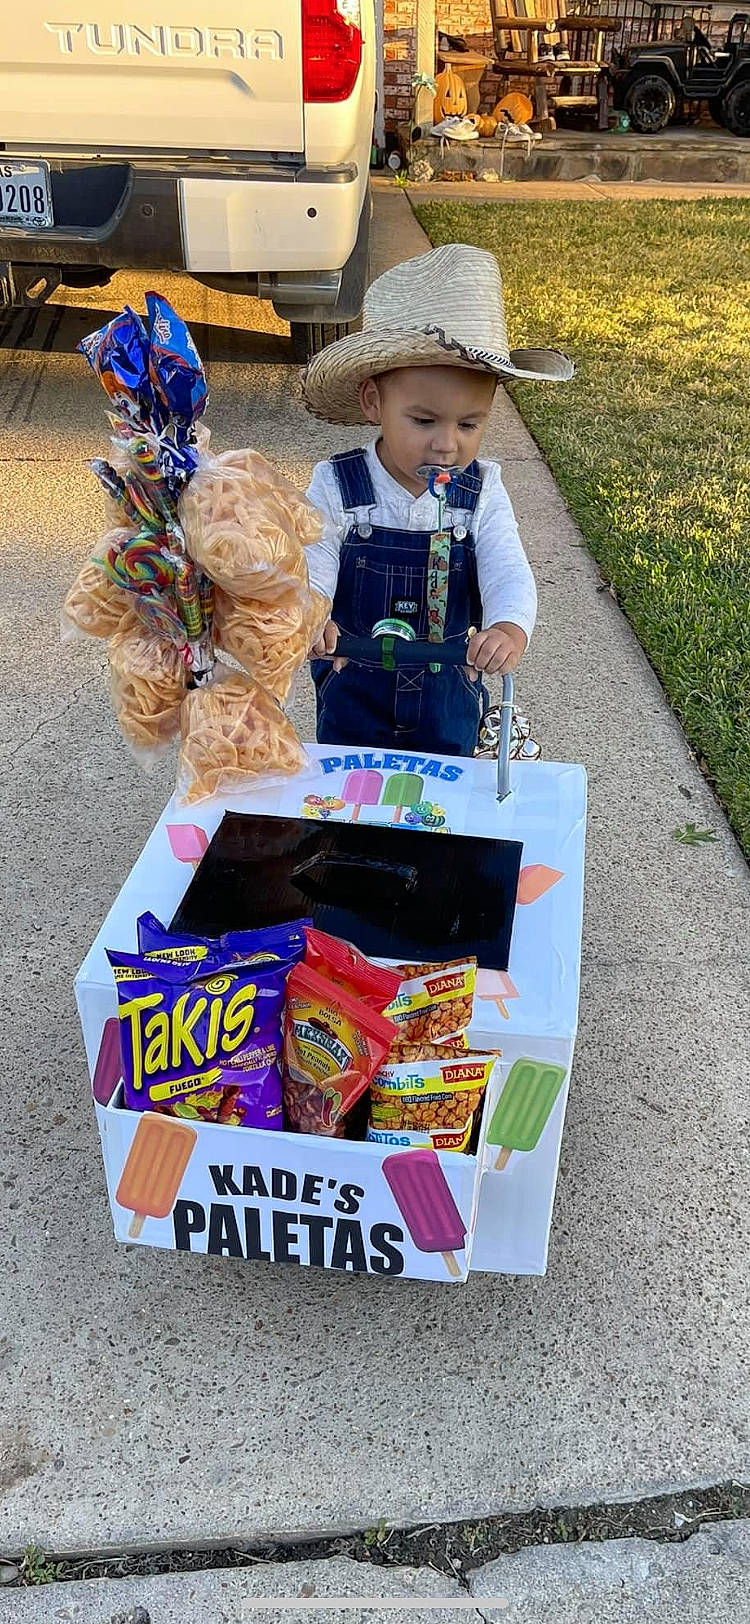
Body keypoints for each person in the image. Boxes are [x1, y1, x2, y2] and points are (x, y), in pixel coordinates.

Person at [301, 242, 572, 756]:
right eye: (424, 421)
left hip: (449, 690)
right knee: (345, 786)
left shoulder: (481, 491)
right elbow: (314, 555)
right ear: (374, 403)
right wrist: (311, 606)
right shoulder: (339, 485)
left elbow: (506, 565)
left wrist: (509, 625)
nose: (447, 444)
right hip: (353, 682)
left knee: (447, 799)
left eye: (469, 424)